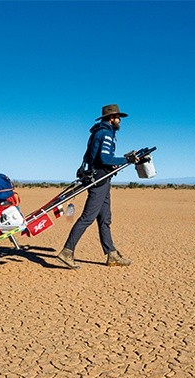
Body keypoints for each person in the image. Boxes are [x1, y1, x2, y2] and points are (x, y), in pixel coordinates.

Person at [56, 104, 141, 269]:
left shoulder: (99, 132)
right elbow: (104, 158)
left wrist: (116, 163)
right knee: (88, 217)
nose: (119, 121)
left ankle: (112, 254)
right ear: (111, 118)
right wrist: (126, 160)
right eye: (118, 118)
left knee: (104, 219)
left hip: (101, 178)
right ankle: (67, 252)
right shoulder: (106, 134)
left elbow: (100, 158)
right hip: (100, 179)